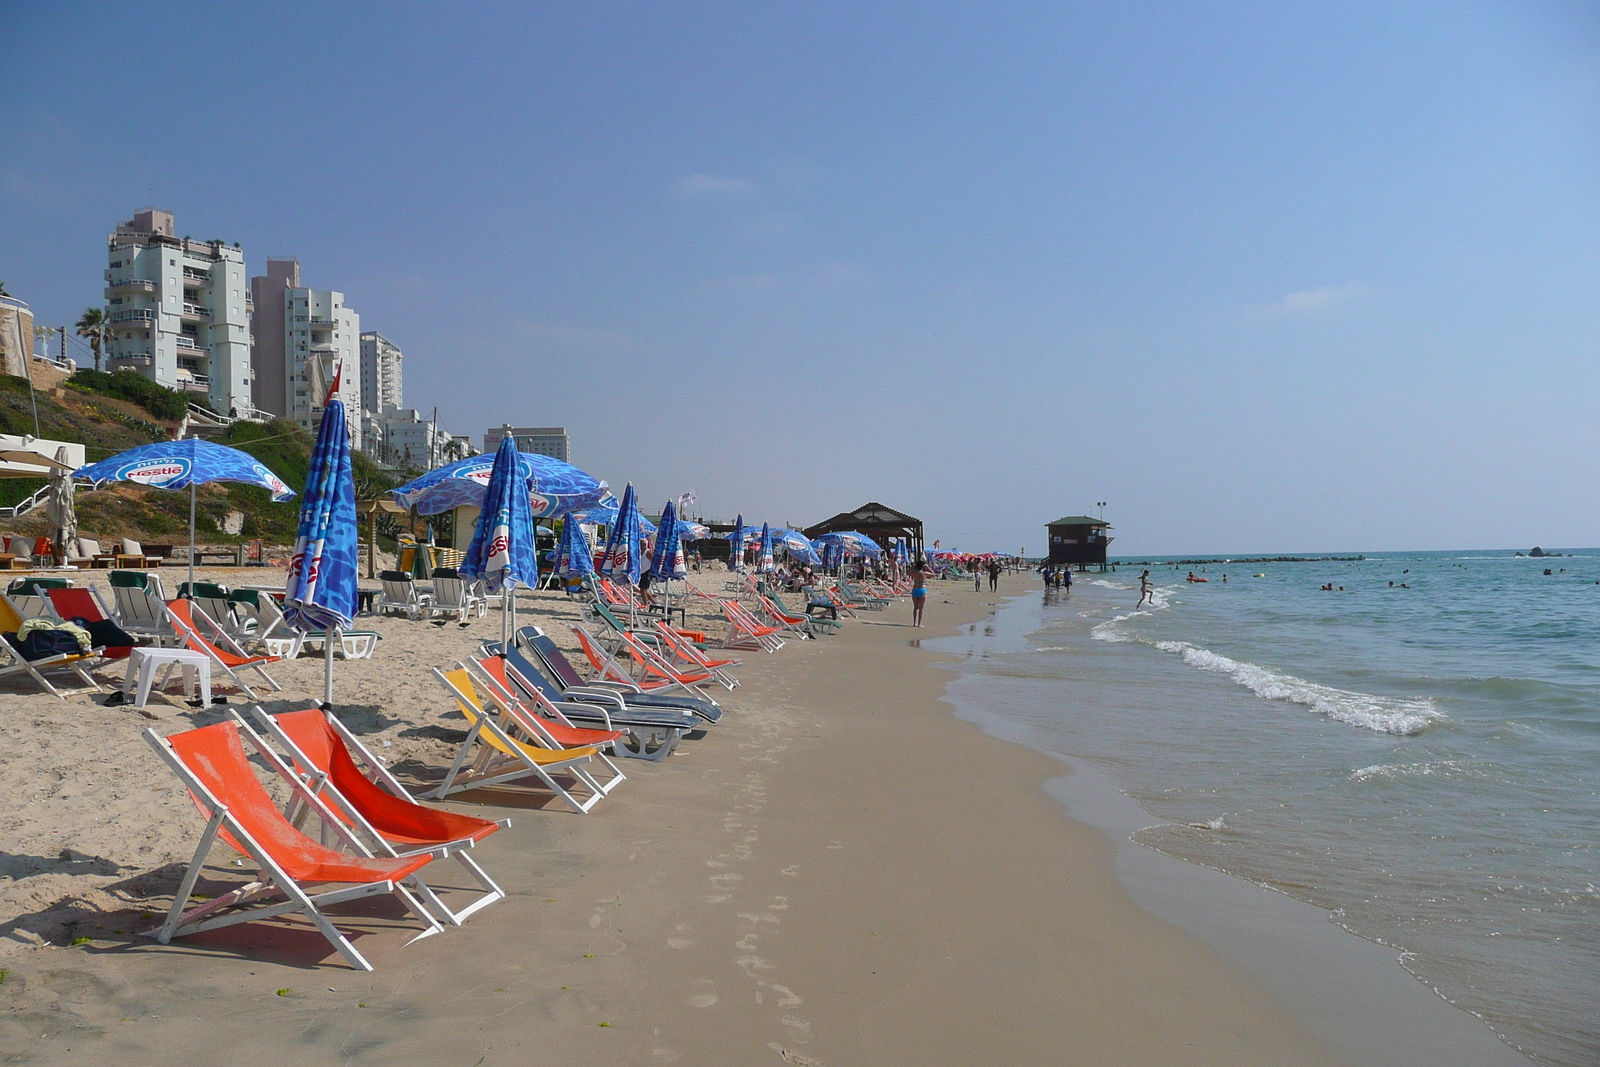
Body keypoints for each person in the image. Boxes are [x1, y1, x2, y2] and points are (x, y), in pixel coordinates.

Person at [910, 557, 931, 627]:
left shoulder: (914, 573)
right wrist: (927, 567)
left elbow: (907, 572)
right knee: (921, 608)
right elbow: (933, 574)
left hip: (915, 589)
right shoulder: (924, 573)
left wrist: (913, 567)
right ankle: (919, 624)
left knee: (915, 607)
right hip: (922, 589)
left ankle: (914, 623)